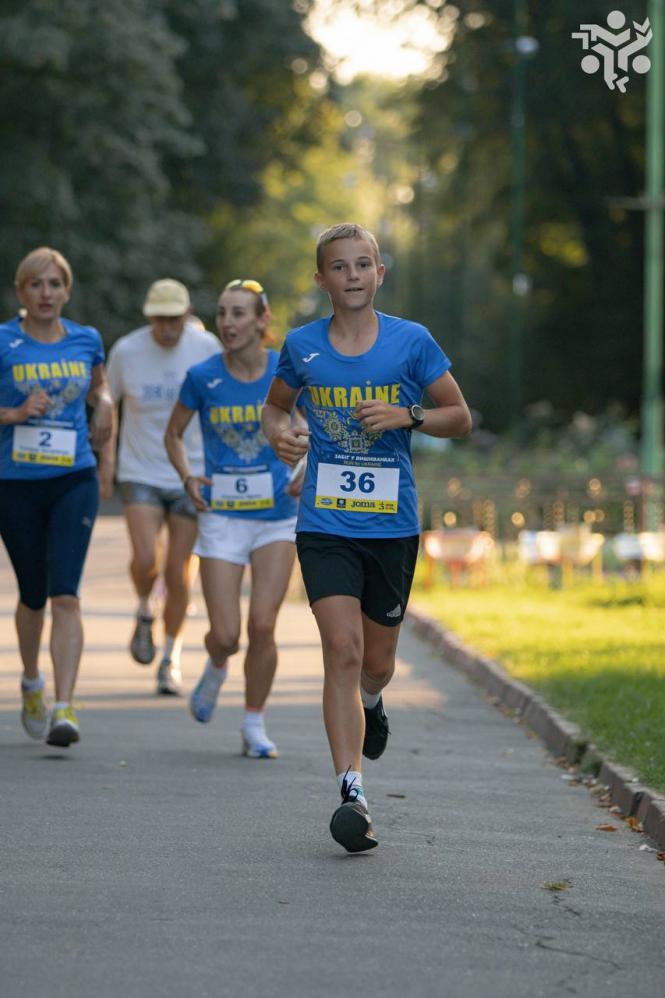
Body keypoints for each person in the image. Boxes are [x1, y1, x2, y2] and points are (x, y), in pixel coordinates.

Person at [261, 223, 472, 852]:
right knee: (342, 651)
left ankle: (374, 702)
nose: (351, 275)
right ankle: (352, 790)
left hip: (392, 526)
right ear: (321, 278)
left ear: (380, 274)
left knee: (376, 663)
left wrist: (406, 414)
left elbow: (459, 416)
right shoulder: (301, 346)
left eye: (363, 265)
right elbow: (276, 408)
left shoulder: (412, 343)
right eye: (339, 266)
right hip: (324, 522)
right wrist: (283, 432)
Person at [165, 278, 303, 758]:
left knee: (263, 624)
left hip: (277, 517)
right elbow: (173, 435)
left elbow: (312, 428)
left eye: (239, 313)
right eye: (223, 313)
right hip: (222, 516)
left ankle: (253, 723)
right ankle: (216, 665)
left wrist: (306, 468)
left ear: (262, 321)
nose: (228, 322)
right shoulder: (202, 377)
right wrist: (188, 478)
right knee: (226, 634)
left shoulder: (283, 374)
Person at [0, 246, 113, 747]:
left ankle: (64, 707)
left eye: (54, 284)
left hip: (74, 478)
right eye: (35, 285)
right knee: (32, 594)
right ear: (21, 292)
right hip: (16, 482)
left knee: (65, 594)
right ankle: (31, 682)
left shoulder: (87, 340)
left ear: (67, 290)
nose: (46, 293)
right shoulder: (4, 341)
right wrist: (15, 414)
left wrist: (105, 404)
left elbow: (99, 388)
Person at [101, 279, 220, 695]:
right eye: (159, 319)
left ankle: (170, 656)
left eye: (174, 318)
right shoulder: (128, 351)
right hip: (141, 470)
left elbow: (226, 403)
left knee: (179, 571)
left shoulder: (207, 350)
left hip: (192, 471)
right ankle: (143, 608)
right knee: (147, 558)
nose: (166, 327)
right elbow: (106, 404)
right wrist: (107, 460)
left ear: (186, 315)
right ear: (149, 316)